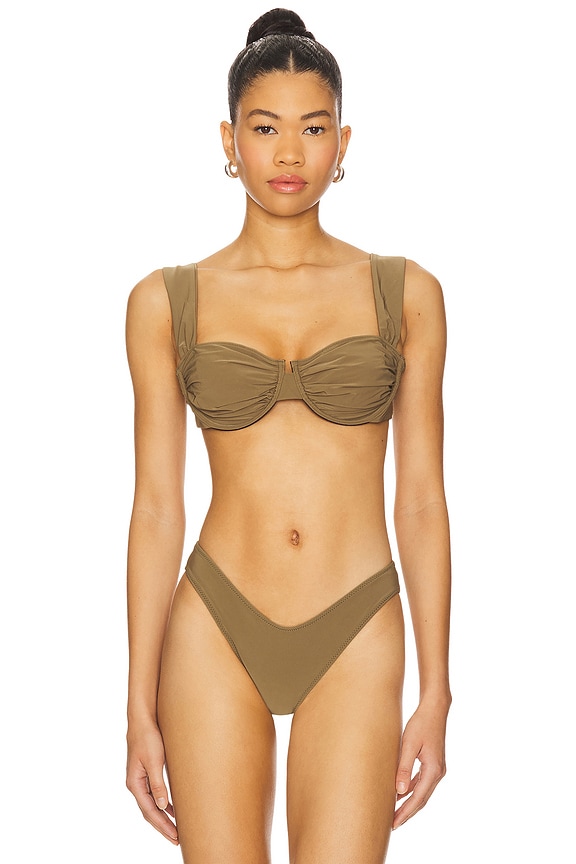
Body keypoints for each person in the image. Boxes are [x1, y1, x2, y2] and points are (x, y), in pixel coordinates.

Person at [125, 8, 451, 863]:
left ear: (343, 143)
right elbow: (156, 508)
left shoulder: (406, 293)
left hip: (357, 618)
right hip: (216, 621)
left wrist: (437, 690)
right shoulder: (164, 301)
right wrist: (135, 705)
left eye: (313, 128)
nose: (290, 153)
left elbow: (421, 501)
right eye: (266, 128)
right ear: (229, 140)